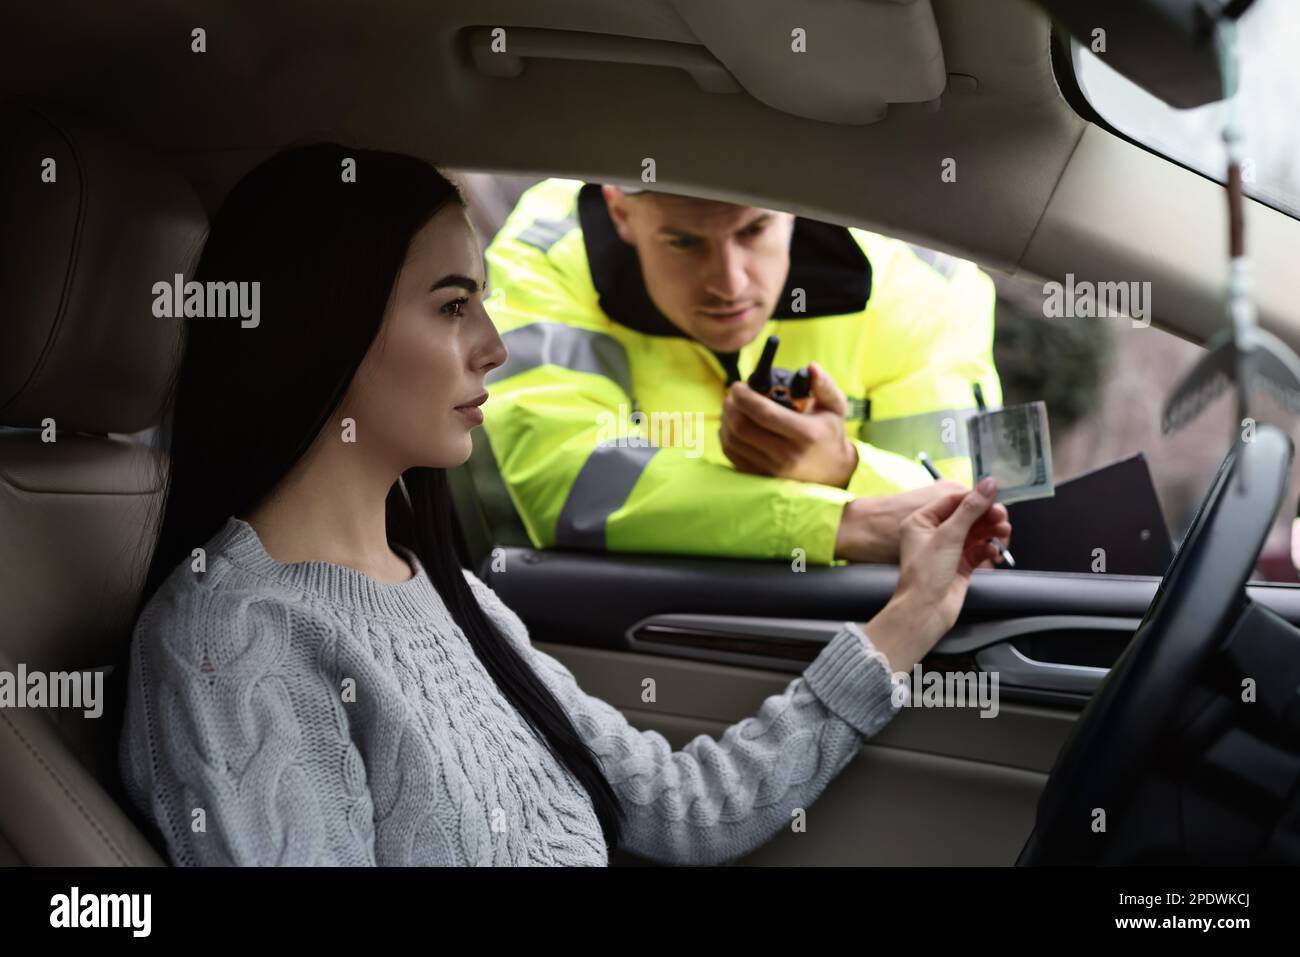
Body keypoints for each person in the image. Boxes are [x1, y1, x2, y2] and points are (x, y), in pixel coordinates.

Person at [115, 144, 1012, 866]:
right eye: (453, 306)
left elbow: (681, 808)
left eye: (481, 304)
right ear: (329, 322)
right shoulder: (227, 640)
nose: (495, 347)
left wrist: (911, 618)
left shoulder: (445, 594)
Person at [480, 178, 1004, 564]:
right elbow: (572, 488)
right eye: (684, 242)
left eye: (754, 229)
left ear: (798, 207)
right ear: (619, 212)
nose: (728, 284)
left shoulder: (924, 280)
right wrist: (839, 521)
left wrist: (841, 466)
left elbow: (967, 523)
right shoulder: (544, 256)